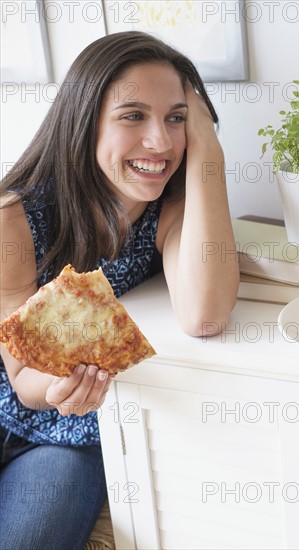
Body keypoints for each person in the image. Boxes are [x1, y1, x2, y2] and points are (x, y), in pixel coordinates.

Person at [0, 31, 239, 548]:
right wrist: (54, 388)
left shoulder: (171, 210)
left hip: (65, 436)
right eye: (133, 116)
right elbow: (21, 375)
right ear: (83, 123)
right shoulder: (13, 218)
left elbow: (205, 314)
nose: (161, 142)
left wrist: (210, 149)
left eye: (177, 118)